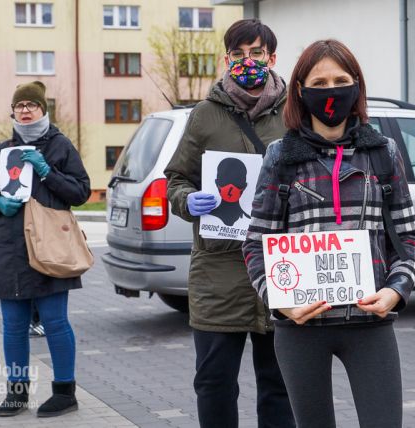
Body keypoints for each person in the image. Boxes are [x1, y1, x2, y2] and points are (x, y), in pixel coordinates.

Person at [242, 40, 415, 428]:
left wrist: (395, 291)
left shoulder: (383, 152)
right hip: (301, 328)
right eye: (319, 82)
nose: (331, 91)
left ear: (356, 86)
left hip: (370, 325)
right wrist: (279, 301)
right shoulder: (280, 156)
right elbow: (256, 243)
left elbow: (409, 240)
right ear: (301, 91)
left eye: (341, 80)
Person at [164, 19, 295, 428]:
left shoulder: (296, 114)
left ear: (272, 58)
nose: (247, 61)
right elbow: (176, 179)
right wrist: (189, 200)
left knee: (281, 384)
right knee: (215, 383)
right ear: (226, 59)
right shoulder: (205, 115)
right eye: (238, 54)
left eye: (256, 53)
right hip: (219, 272)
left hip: (282, 270)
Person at [0, 81, 90, 418]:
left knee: (54, 322)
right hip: (9, 248)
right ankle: (17, 392)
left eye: (32, 104)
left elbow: (80, 191)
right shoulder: (2, 150)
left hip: (50, 246)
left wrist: (46, 171)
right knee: (12, 325)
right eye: (20, 105)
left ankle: (65, 392)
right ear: (13, 112)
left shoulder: (59, 146)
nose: (25, 110)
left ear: (43, 109)